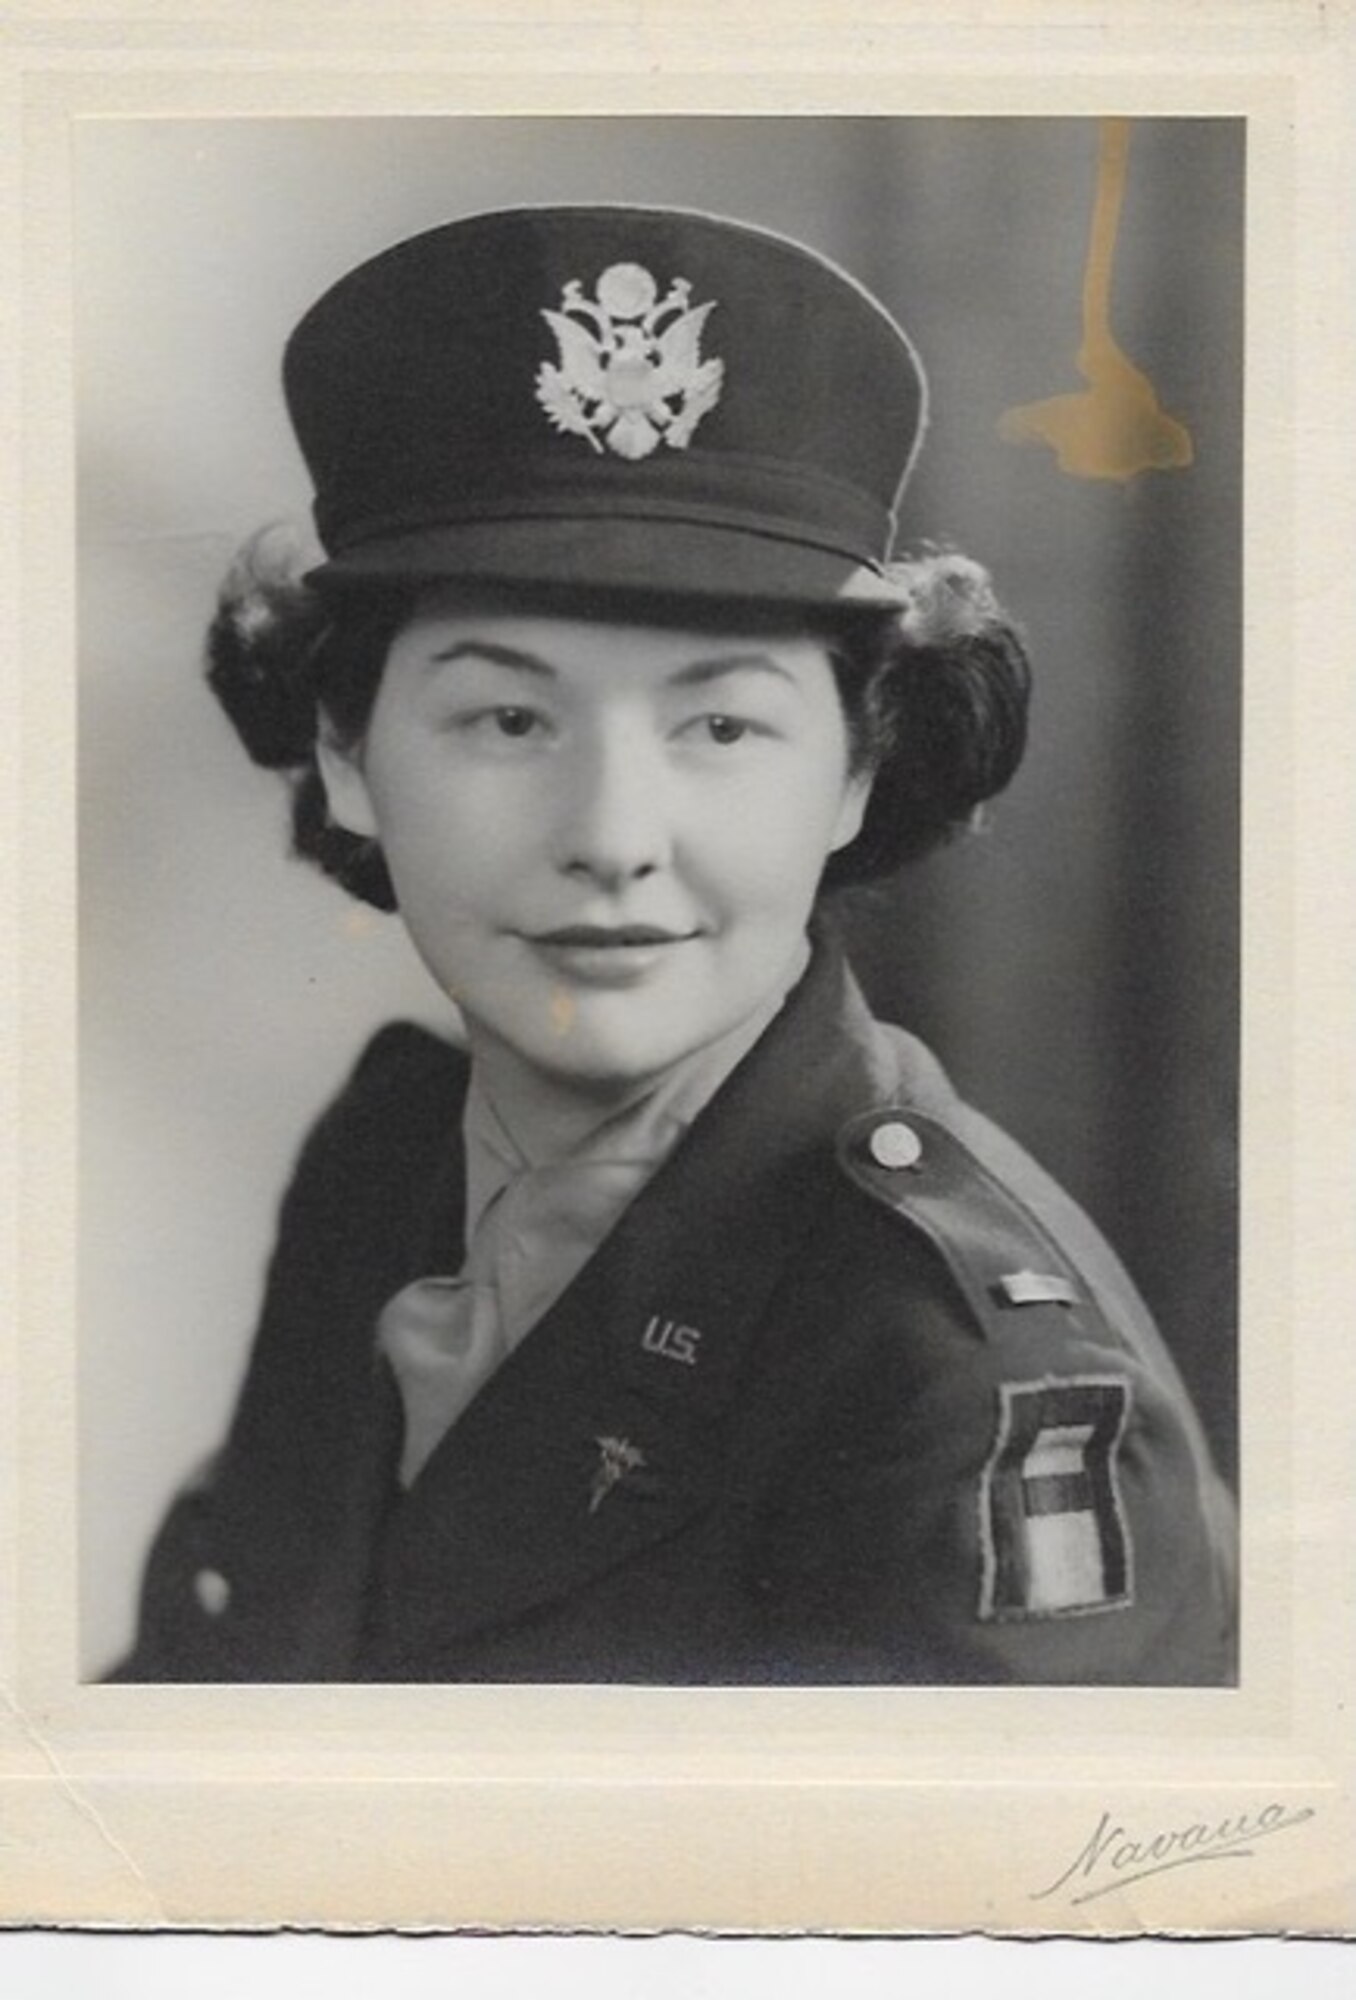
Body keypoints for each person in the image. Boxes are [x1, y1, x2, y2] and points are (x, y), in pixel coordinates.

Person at [112, 204, 1236, 1685]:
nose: (615, 834)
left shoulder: (956, 1378)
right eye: (509, 717)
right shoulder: (381, 1167)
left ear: (854, 774)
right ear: (344, 755)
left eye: (720, 724)